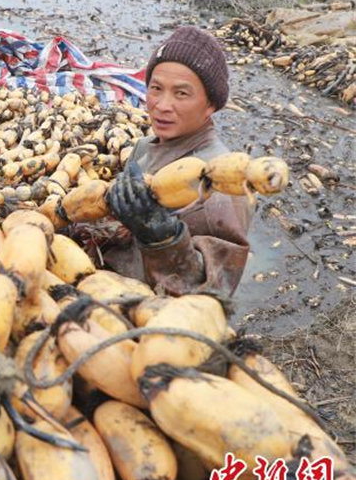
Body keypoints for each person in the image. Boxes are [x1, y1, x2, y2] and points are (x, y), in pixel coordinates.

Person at [89, 26, 253, 296]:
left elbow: (215, 291)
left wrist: (162, 237)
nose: (162, 105)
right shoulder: (144, 146)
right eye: (156, 88)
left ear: (211, 104)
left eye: (181, 93)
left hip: (151, 312)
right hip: (106, 284)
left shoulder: (221, 183)